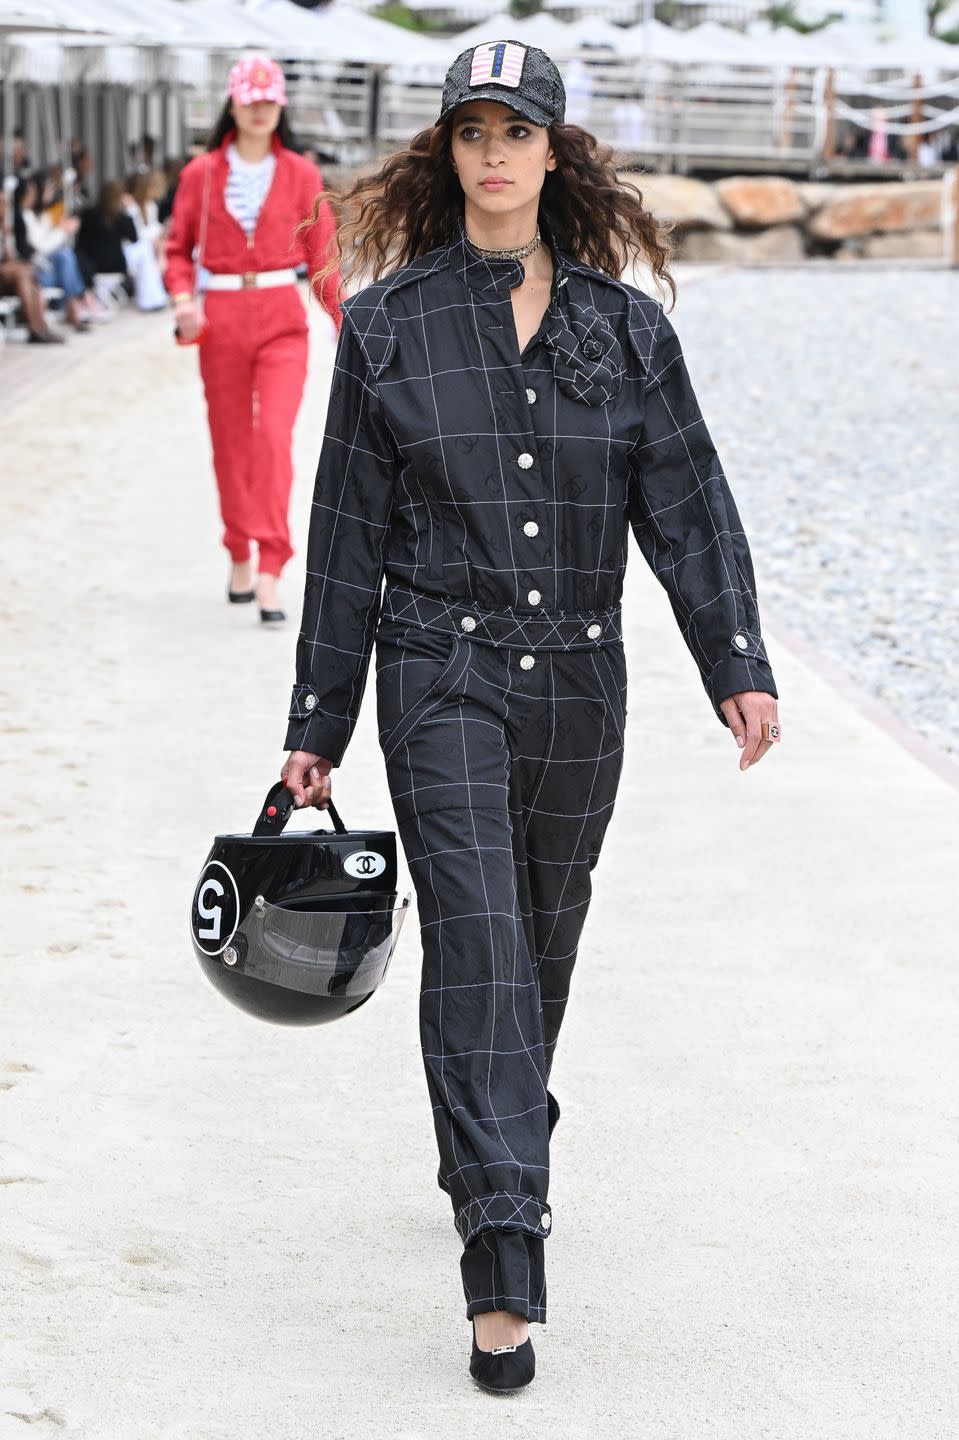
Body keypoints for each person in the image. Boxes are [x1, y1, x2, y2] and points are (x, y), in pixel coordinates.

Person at [280, 40, 781, 1392]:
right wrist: (315, 724)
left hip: (578, 680)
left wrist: (733, 660)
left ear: (555, 153)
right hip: (433, 668)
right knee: (485, 949)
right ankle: (501, 1259)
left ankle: (487, 1133)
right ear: (445, 153)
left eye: (517, 131)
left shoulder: (626, 332)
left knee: (537, 958)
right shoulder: (384, 324)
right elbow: (341, 538)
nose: (493, 151)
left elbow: (684, 505)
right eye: (470, 130)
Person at [164, 55, 342, 623]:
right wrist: (182, 299)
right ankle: (238, 549)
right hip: (219, 317)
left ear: (280, 104)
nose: (260, 109)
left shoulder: (300, 173)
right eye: (250, 99)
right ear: (233, 103)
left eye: (269, 100)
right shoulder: (202, 173)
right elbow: (176, 249)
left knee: (273, 439)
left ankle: (271, 563)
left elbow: (323, 256)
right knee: (231, 442)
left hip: (280, 318)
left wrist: (344, 323)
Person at [13, 173, 98, 332]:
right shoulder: (25, 217)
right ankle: (75, 305)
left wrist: (61, 230)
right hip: (37, 271)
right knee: (65, 256)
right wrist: (61, 231)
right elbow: (41, 247)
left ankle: (75, 305)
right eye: (47, 190)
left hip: (45, 268)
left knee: (66, 255)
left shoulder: (43, 215)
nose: (50, 194)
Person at [0, 191, 63, 343]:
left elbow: (8, 258)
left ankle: (41, 326)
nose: (4, 208)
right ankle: (34, 328)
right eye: (2, 204)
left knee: (28, 272)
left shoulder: (3, 230)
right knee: (23, 272)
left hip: (6, 276)